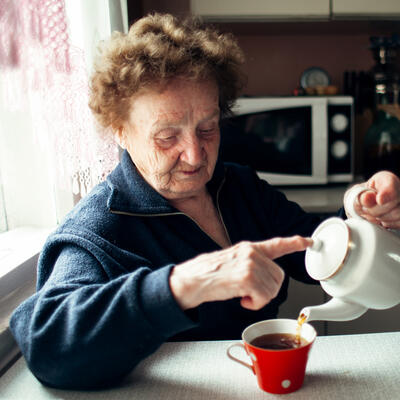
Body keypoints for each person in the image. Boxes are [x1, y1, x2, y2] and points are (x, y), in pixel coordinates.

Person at [10, 13, 400, 390]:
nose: (196, 156)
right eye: (167, 137)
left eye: (208, 128)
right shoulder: (98, 231)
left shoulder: (237, 186)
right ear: (120, 132)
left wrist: (362, 210)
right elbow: (47, 345)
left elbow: (313, 247)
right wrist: (187, 284)